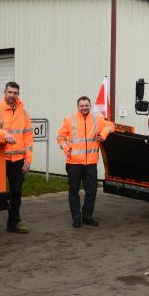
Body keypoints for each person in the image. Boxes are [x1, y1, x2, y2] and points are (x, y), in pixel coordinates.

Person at [0, 81, 33, 238]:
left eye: (15, 93)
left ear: (18, 94)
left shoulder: (24, 113)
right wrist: (5, 135)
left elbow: (28, 138)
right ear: (4, 92)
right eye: (9, 92)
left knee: (16, 192)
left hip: (18, 159)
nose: (12, 95)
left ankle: (14, 223)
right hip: (0, 158)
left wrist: (28, 159)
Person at [57, 96, 114, 228]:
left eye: (86, 105)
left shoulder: (97, 119)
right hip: (73, 163)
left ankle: (87, 216)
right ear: (78, 107)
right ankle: (76, 218)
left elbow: (111, 125)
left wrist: (103, 134)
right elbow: (60, 137)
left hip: (90, 163)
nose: (84, 108)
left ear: (90, 105)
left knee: (91, 191)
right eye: (82, 106)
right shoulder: (69, 120)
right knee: (74, 192)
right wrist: (68, 150)